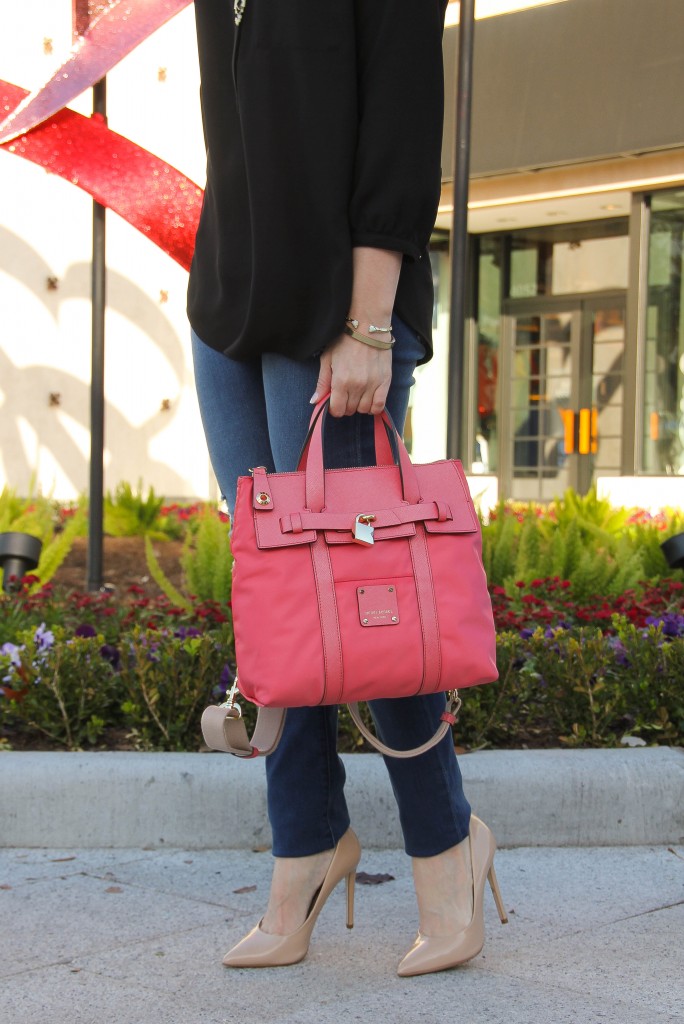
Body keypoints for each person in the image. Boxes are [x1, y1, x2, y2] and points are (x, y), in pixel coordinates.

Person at [187, 0, 506, 975]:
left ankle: (448, 849)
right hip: (230, 296)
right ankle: (306, 848)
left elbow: (403, 108)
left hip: (338, 303)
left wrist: (370, 319)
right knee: (282, 605)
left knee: (374, 598)